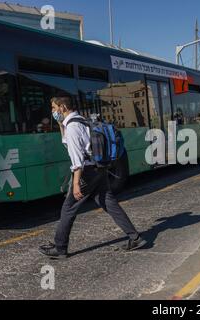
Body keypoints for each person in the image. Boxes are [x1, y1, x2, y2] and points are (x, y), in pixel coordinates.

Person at [39, 96, 146, 259]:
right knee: (109, 203)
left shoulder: (73, 127)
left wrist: (75, 183)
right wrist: (61, 124)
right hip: (99, 169)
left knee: (68, 208)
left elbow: (77, 159)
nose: (52, 112)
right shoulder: (81, 121)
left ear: (62, 107)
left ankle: (60, 247)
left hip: (87, 172)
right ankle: (135, 237)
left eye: (54, 108)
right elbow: (67, 142)